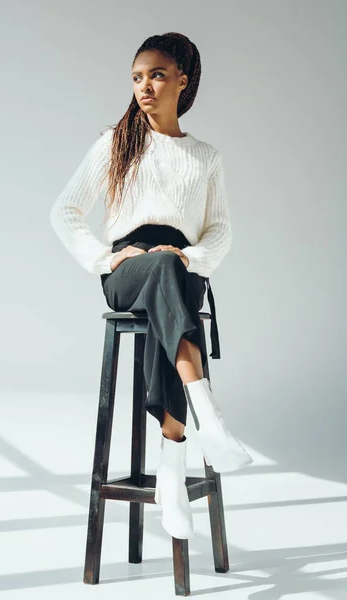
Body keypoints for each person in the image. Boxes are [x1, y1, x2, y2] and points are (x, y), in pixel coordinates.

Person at [50, 32, 253, 540]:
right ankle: (207, 423)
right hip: (128, 276)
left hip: (178, 272)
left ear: (182, 81)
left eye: (157, 75)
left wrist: (192, 254)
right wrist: (105, 256)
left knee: (175, 277)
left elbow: (220, 229)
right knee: (166, 273)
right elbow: (65, 210)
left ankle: (171, 466)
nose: (145, 86)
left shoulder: (205, 157)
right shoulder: (116, 142)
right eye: (138, 77)